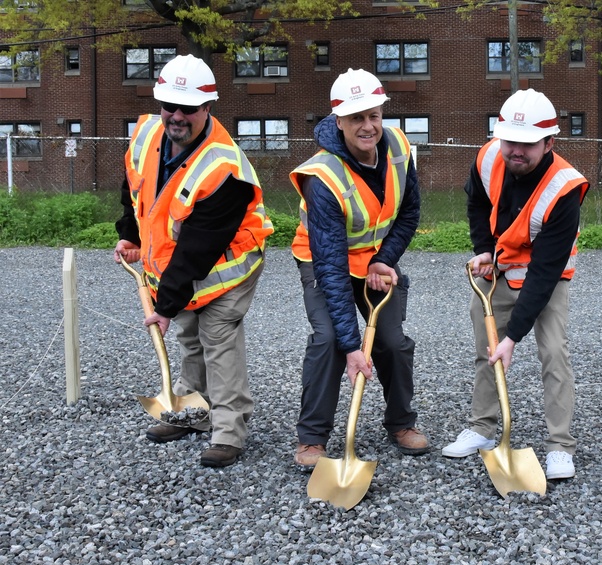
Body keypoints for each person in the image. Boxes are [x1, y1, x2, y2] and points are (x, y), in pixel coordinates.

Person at [114, 54, 274, 468]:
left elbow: (199, 249)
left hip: (228, 264)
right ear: (159, 104)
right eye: (170, 106)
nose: (177, 116)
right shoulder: (147, 133)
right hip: (178, 264)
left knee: (216, 339)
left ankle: (228, 431)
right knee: (189, 335)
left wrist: (165, 305)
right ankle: (191, 412)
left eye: (188, 108)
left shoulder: (225, 168)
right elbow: (135, 188)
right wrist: (129, 233)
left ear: (208, 108)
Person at [441, 89, 589, 480]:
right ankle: (482, 428)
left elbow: (543, 274)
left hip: (547, 276)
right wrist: (484, 249)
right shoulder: (489, 156)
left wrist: (513, 338)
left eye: (527, 144)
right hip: (500, 268)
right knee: (485, 351)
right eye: (510, 141)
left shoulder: (565, 190)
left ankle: (560, 446)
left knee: (554, 354)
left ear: (549, 142)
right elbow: (475, 201)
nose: (516, 151)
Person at [288, 68, 428, 469]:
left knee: (393, 341)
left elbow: (409, 212)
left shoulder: (398, 146)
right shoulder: (322, 178)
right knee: (329, 339)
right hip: (323, 262)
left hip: (375, 260)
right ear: (338, 121)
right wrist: (352, 347)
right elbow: (330, 269)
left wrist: (384, 259)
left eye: (374, 115)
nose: (368, 126)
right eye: (356, 118)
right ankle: (312, 439)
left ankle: (401, 424)